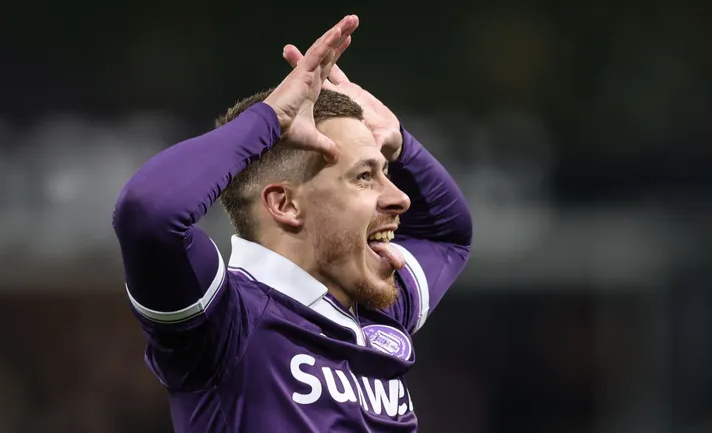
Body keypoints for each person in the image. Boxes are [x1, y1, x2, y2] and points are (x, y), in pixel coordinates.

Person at [112, 15, 472, 432]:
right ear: (284, 204)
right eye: (364, 176)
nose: (400, 197)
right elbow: (150, 212)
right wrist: (268, 121)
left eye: (386, 171)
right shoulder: (227, 321)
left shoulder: (375, 307)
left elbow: (447, 235)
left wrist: (402, 144)